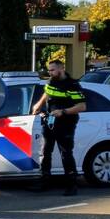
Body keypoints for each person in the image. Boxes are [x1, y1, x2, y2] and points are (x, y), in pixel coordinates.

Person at [30, 60, 87, 196]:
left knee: (65, 153)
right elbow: (47, 93)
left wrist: (63, 112)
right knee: (46, 151)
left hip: (66, 123)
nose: (50, 72)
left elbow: (82, 106)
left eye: (52, 70)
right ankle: (45, 181)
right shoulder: (51, 81)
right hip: (50, 121)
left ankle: (71, 185)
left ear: (61, 69)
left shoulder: (72, 85)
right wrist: (38, 105)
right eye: (49, 70)